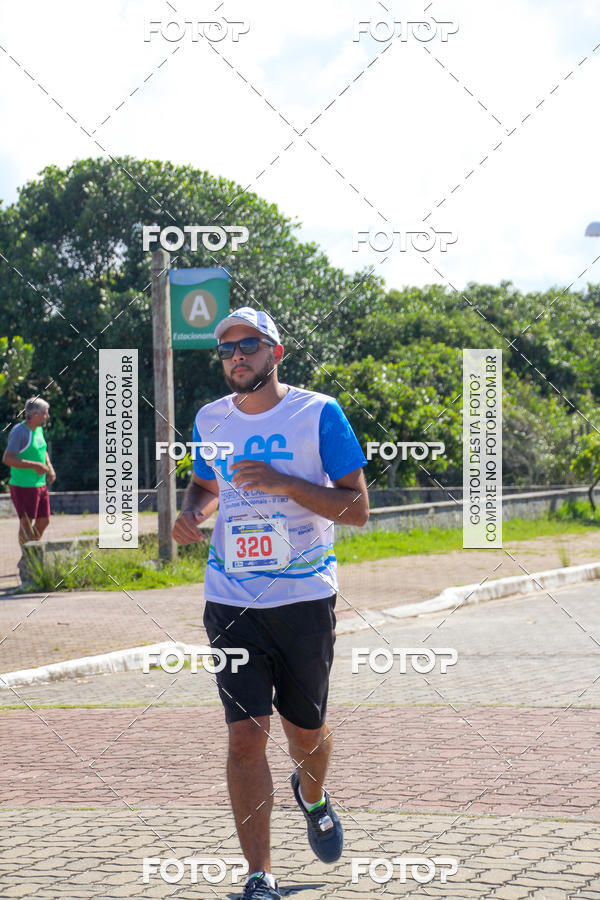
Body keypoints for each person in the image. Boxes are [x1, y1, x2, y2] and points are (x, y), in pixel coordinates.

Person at [172, 307, 369, 899]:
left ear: (275, 353)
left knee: (305, 733)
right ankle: (259, 875)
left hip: (304, 598)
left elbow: (356, 509)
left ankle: (311, 793)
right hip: (230, 598)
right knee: (245, 734)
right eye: (227, 348)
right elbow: (208, 482)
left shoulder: (318, 414)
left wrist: (284, 482)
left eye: (249, 345)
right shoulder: (211, 418)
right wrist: (191, 513)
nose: (237, 356)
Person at [2, 397, 56, 546]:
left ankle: (30, 553)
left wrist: (50, 468)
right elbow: (7, 459)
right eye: (45, 413)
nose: (48, 416)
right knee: (26, 524)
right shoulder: (19, 432)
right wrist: (34, 465)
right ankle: (28, 560)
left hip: (40, 484)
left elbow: (42, 450)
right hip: (23, 486)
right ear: (35, 414)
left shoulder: (38, 429)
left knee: (44, 521)